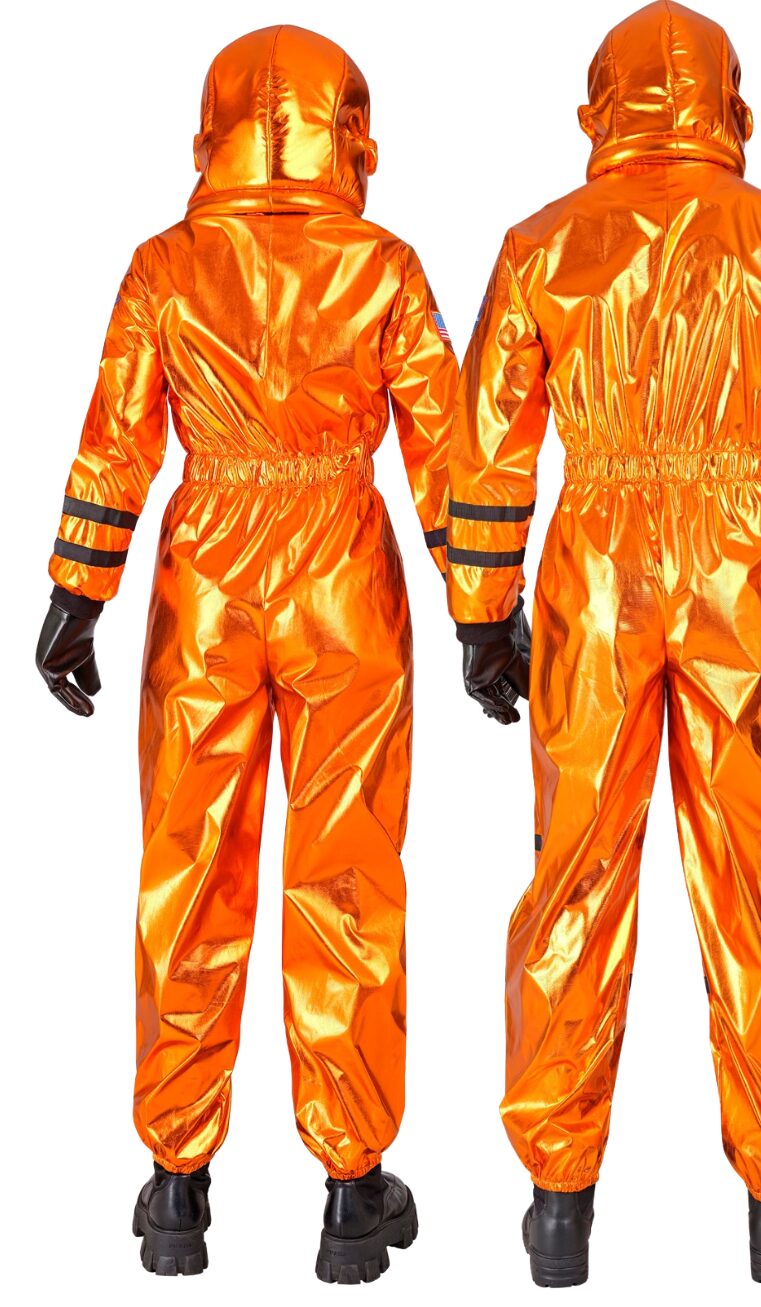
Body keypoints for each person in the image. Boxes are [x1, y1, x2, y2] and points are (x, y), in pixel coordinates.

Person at [447, 0, 761, 1287]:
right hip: (737, 570)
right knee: (756, 875)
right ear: (731, 102)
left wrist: (482, 610)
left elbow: (489, 442)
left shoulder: (540, 244)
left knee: (575, 874)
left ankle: (558, 1204)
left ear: (600, 104)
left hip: (593, 565)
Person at [36, 25, 456, 1281]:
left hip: (207, 576)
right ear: (349, 127)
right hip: (342, 573)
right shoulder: (383, 265)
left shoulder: (164, 266)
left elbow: (117, 434)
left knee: (189, 864)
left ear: (210, 129)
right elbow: (446, 444)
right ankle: (352, 1188)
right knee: (348, 872)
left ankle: (176, 1185)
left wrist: (77, 591)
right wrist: (486, 605)